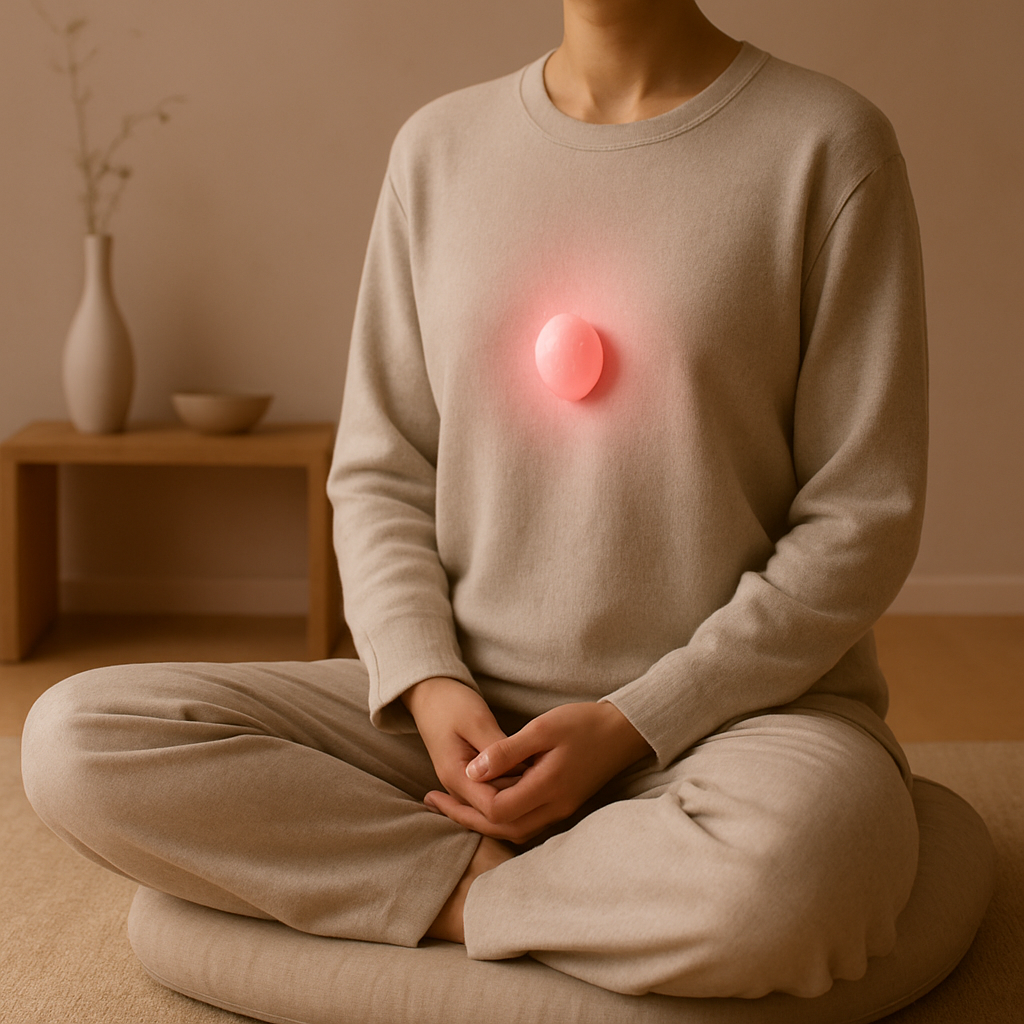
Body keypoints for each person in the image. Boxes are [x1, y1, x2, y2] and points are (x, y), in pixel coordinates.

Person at [22, 0, 928, 1001]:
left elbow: (861, 518)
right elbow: (381, 471)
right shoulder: (438, 149)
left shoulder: (827, 144)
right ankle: (481, 887)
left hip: (736, 725)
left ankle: (436, 891)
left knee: (790, 879)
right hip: (461, 732)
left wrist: (635, 722)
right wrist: (427, 682)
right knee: (75, 741)